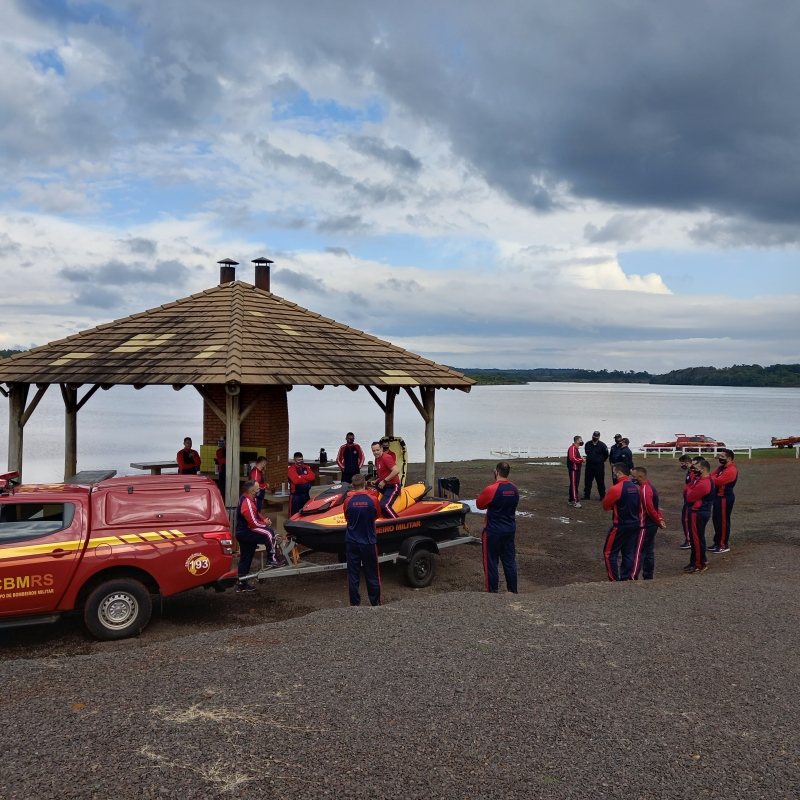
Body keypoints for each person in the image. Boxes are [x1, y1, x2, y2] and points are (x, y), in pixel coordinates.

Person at [476, 461, 519, 593]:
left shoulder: (491, 489)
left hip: (493, 531)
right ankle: (513, 591)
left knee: (491, 562)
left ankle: (492, 592)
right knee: (509, 561)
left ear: (497, 472)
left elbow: (479, 504)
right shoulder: (514, 488)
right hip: (509, 529)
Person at [235, 479, 284, 592]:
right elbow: (254, 523)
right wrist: (265, 524)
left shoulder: (250, 498)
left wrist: (264, 520)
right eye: (258, 489)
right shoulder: (247, 503)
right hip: (245, 532)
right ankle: (271, 558)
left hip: (244, 531)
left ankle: (242, 583)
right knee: (269, 533)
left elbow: (257, 514)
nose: (260, 490)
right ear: (252, 491)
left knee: (246, 558)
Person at [343, 473, 382, 606]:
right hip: (368, 542)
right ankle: (375, 603)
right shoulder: (373, 500)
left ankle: (355, 605)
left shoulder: (348, 501)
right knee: (372, 574)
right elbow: (376, 515)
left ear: (352, 486)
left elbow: (347, 518)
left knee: (353, 576)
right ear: (365, 483)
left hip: (352, 541)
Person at [601, 463, 641, 581]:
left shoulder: (616, 488)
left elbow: (605, 505)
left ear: (618, 473)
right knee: (628, 553)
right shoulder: (635, 487)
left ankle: (614, 580)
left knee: (609, 553)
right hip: (634, 524)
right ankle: (626, 578)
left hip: (620, 525)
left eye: (614, 472)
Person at [631, 467, 667, 580]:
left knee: (639, 552)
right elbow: (656, 508)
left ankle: (633, 576)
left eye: (634, 477)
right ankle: (648, 576)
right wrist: (660, 519)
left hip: (645, 525)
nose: (632, 479)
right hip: (651, 525)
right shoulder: (650, 487)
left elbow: (650, 509)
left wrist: (658, 521)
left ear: (640, 477)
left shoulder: (645, 489)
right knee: (649, 551)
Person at [685, 459, 715, 574]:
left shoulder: (704, 483)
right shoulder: (703, 480)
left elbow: (689, 496)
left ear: (703, 470)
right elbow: (688, 489)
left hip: (698, 512)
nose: (694, 471)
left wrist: (690, 490)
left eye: (696, 469)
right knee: (697, 538)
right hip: (699, 511)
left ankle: (699, 564)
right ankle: (696, 561)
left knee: (696, 539)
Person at [710, 449, 738, 554]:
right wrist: (714, 477)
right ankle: (717, 542)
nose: (720, 458)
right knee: (716, 520)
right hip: (718, 497)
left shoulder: (731, 470)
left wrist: (714, 478)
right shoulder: (722, 467)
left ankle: (723, 545)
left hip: (725, 498)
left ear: (729, 458)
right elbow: (712, 476)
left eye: (722, 456)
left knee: (722, 521)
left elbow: (717, 481)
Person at [369, 441, 400, 518]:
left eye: (377, 450)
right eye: (374, 451)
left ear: (381, 449)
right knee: (370, 496)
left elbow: (396, 471)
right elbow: (384, 473)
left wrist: (384, 481)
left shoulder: (386, 458)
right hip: (383, 486)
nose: (376, 452)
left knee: (384, 506)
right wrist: (376, 481)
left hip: (393, 485)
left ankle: (396, 521)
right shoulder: (377, 459)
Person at [583, 431, 608, 500]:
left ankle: (602, 496)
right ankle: (587, 495)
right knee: (587, 481)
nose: (595, 437)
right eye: (594, 435)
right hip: (589, 466)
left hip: (599, 466)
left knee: (600, 481)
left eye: (596, 436)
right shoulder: (588, 444)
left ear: (599, 437)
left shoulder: (602, 445)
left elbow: (606, 455)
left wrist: (600, 460)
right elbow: (586, 452)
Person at [678, 454, 694, 549]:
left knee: (686, 519)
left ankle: (689, 541)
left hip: (689, 499)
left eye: (682, 463)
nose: (682, 465)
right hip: (688, 498)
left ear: (687, 463)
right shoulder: (689, 472)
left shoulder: (692, 473)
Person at [567, 435, 584, 508]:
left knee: (574, 484)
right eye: (580, 440)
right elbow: (573, 458)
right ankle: (575, 501)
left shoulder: (576, 448)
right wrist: (581, 460)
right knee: (574, 485)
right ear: (577, 441)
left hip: (576, 468)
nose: (582, 441)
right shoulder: (573, 448)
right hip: (574, 469)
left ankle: (571, 499)